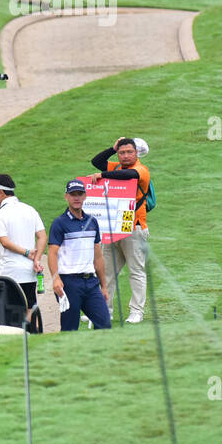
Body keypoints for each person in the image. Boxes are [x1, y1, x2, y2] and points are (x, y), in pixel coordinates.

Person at [90, 137, 151, 324]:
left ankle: (137, 311)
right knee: (106, 272)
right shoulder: (115, 167)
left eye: (129, 152)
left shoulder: (141, 170)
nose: (125, 156)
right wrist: (112, 148)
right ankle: (104, 310)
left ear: (136, 153)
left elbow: (130, 176)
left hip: (134, 229)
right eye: (121, 152)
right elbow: (96, 162)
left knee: (136, 271)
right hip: (113, 228)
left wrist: (103, 176)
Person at [47, 179, 111, 331]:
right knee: (70, 329)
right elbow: (52, 253)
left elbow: (98, 256)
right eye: (73, 194)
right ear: (66, 197)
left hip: (91, 283)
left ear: (85, 196)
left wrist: (104, 286)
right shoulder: (59, 223)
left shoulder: (92, 221)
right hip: (68, 283)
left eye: (79, 194)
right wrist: (55, 278)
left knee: (105, 324)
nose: (76, 198)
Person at [0, 174, 47, 321]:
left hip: (11, 272)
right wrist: (37, 258)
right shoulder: (30, 209)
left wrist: (27, 252)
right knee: (30, 308)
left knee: (10, 311)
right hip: (29, 271)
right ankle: (32, 336)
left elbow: (4, 242)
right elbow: (42, 236)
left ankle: (16, 338)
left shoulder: (0, 213)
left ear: (1, 193)